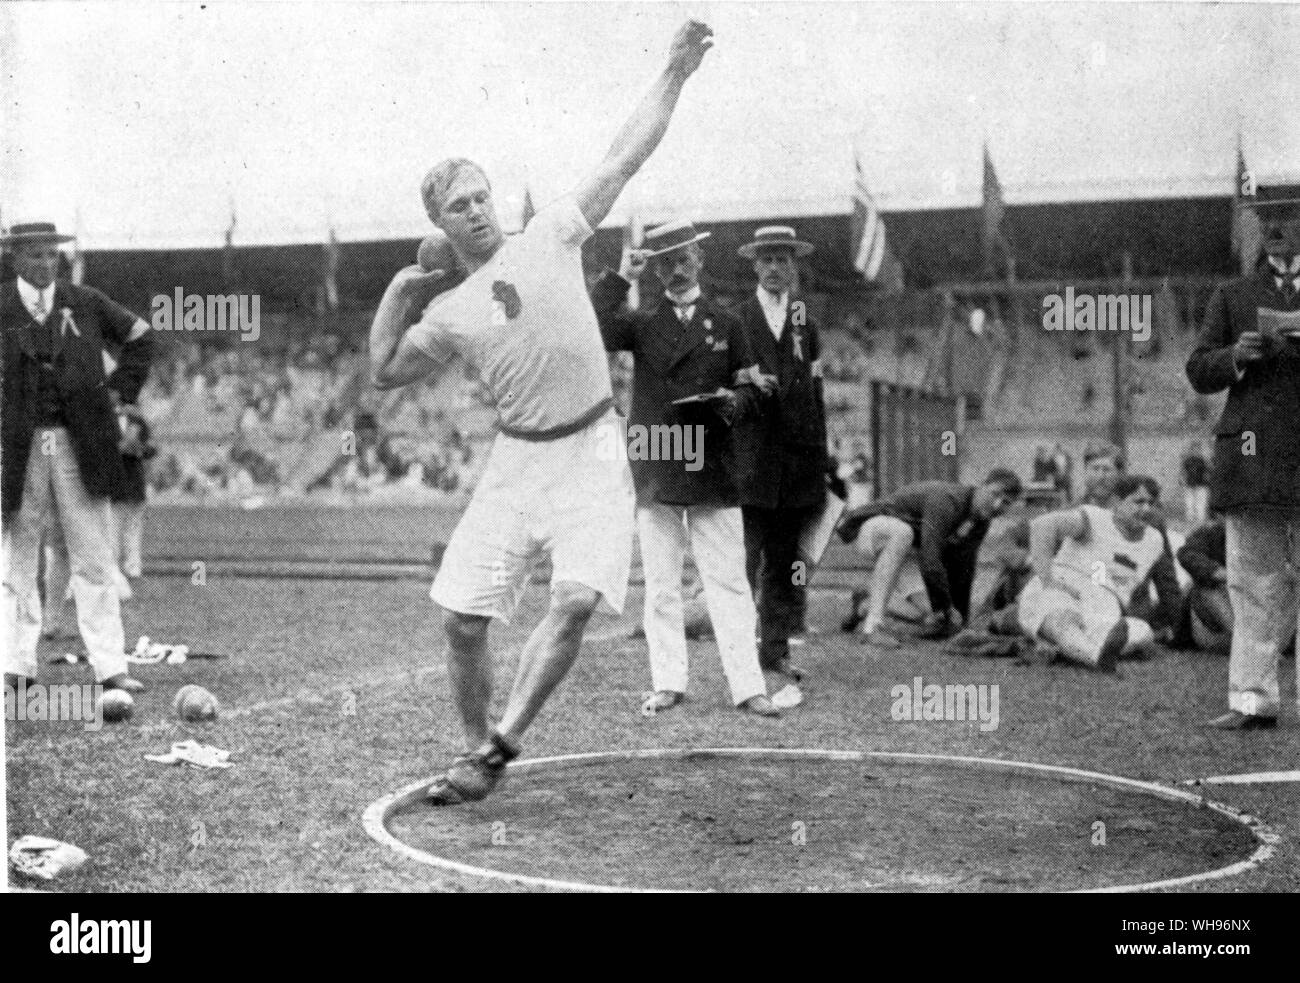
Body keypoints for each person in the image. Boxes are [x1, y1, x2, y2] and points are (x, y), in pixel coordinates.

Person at [368, 20, 716, 803]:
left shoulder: (554, 231)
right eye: (460, 206)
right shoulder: (452, 309)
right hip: (517, 461)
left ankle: (501, 747)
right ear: (441, 224)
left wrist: (674, 73)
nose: (479, 211)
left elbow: (625, 155)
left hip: (592, 449)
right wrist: (400, 289)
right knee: (462, 618)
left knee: (576, 600)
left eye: (483, 196)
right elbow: (384, 371)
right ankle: (472, 744)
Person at [590, 219, 778, 717]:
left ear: (699, 260)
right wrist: (621, 278)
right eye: (664, 262)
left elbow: (758, 389)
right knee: (661, 583)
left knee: (730, 582)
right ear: (654, 270)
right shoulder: (643, 322)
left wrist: (730, 404)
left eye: (683, 259)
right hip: (657, 461)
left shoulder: (729, 322)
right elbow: (597, 323)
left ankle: (749, 686)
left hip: (712, 464)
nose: (675, 270)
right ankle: (668, 681)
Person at [2, 222, 152, 694]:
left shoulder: (85, 301)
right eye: (35, 256)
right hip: (17, 445)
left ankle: (111, 667)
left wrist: (119, 394)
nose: (46, 264)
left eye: (52, 255)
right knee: (17, 560)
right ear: (15, 259)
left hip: (78, 442)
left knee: (93, 556)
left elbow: (141, 337)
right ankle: (15, 667)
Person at [1186, 192, 1300, 730]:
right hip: (1253, 452)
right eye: (1268, 220)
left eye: (1289, 218)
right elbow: (1197, 369)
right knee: (1253, 580)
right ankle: (1253, 699)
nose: (1276, 228)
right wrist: (1234, 356)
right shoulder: (1232, 295)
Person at [732, 226, 831, 683]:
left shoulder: (804, 322)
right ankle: (737, 653)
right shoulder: (737, 319)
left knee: (785, 563)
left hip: (795, 464)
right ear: (755, 265)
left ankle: (774, 651)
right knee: (744, 562)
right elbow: (722, 388)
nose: (775, 268)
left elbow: (814, 395)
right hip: (751, 463)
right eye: (767, 259)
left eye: (783, 260)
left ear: (794, 266)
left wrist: (821, 461)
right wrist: (744, 382)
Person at [838, 470, 1023, 647]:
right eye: (994, 494)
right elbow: (930, 559)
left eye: (1006, 502)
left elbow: (964, 567)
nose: (997, 504)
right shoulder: (948, 499)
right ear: (982, 486)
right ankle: (873, 627)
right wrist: (945, 607)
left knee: (929, 615)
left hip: (908, 548)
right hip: (873, 528)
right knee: (903, 532)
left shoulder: (981, 520)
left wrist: (958, 621)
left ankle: (866, 602)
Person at [1018, 475, 1168, 671]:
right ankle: (1095, 657)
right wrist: (1047, 580)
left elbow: (1133, 585)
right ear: (1116, 502)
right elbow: (1043, 525)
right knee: (1062, 617)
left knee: (1142, 632)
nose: (1146, 509)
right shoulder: (1095, 519)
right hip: (1065, 586)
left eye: (1151, 503)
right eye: (1138, 502)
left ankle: (1073, 650)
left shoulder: (1154, 540)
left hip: (1103, 604)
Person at [1175, 515, 1231, 653]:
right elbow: (1186, 554)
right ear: (1220, 517)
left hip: (1261, 625)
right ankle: (1247, 642)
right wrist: (1218, 573)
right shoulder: (1210, 534)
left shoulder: (1266, 536)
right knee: (1206, 588)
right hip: (1215, 631)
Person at [1181, 439, 1209, 525]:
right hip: (1190, 484)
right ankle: (1190, 520)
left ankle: (1200, 520)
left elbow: (1208, 472)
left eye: (1198, 449)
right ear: (1191, 450)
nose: (1196, 451)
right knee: (1189, 503)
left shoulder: (1203, 460)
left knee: (1201, 504)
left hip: (1201, 484)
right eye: (1194, 449)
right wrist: (1182, 480)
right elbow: (1183, 472)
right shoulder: (1187, 461)